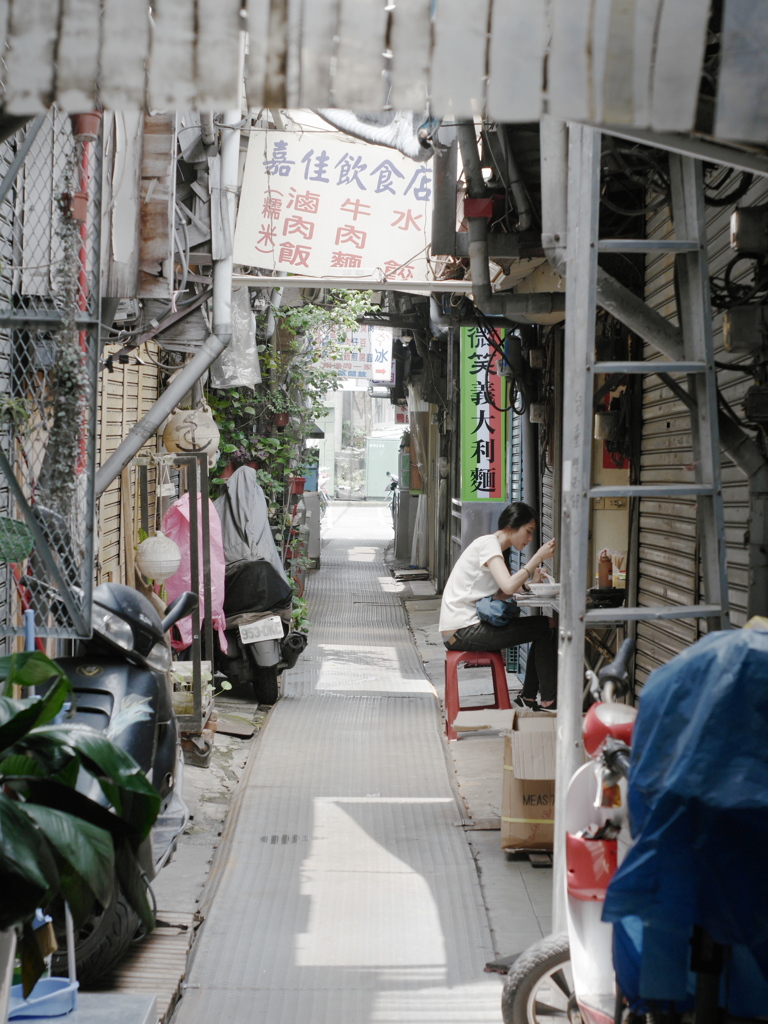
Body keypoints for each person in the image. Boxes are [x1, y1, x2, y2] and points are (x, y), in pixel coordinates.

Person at [439, 501, 558, 710]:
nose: (529, 539)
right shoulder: (489, 544)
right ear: (512, 526)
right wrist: (536, 558)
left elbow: (502, 592)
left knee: (544, 626)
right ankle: (548, 700)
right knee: (546, 625)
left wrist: (531, 585)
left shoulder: (494, 548)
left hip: (462, 628)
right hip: (463, 630)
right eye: (528, 532)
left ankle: (530, 697)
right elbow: (509, 586)